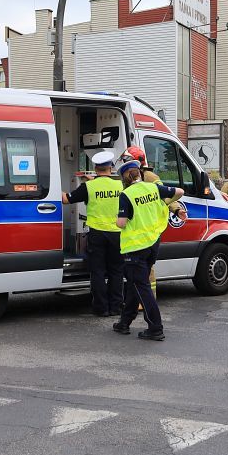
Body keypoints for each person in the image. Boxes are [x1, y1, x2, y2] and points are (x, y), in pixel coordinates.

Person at [112, 159, 182, 341]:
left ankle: (155, 327)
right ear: (139, 173)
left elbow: (121, 223)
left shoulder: (126, 195)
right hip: (153, 244)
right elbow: (180, 192)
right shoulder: (154, 188)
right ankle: (124, 322)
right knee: (136, 284)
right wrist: (165, 203)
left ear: (126, 177)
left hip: (135, 248)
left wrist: (115, 220)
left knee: (141, 286)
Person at [118, 146, 187, 303]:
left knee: (146, 270)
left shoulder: (149, 177)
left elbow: (164, 195)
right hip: (138, 226)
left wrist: (175, 209)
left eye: (127, 160)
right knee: (140, 270)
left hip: (149, 226)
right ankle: (140, 300)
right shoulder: (130, 176)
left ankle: (147, 300)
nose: (125, 163)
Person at [63, 151, 124, 316]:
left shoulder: (88, 186)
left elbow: (66, 199)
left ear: (96, 169)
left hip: (97, 234)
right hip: (117, 234)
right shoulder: (121, 186)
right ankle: (116, 307)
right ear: (111, 168)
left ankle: (101, 308)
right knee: (116, 271)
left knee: (97, 271)